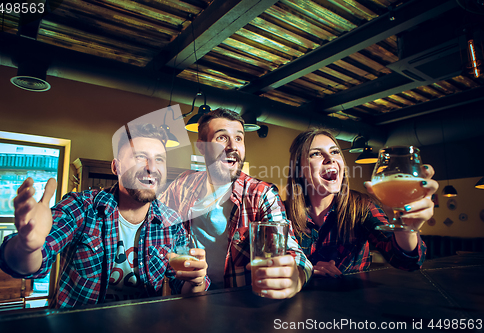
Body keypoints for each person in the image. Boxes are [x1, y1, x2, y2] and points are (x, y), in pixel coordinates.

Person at [0, 123, 208, 308]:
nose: (151, 168)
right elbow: (25, 264)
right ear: (116, 167)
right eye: (140, 157)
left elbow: (186, 289)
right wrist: (27, 247)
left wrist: (196, 281)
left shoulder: (171, 224)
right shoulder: (82, 207)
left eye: (159, 159)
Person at [160, 108, 313, 299]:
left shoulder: (261, 194)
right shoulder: (182, 185)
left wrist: (295, 276)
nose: (233, 146)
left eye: (239, 138)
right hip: (192, 299)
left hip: (241, 303)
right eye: (222, 138)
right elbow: (154, 220)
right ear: (201, 147)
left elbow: (295, 254)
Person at [285, 128, 438, 278]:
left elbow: (406, 263)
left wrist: (407, 229)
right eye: (316, 154)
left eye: (335, 152)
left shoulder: (362, 206)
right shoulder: (281, 212)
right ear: (298, 170)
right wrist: (305, 270)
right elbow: (269, 262)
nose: (330, 158)